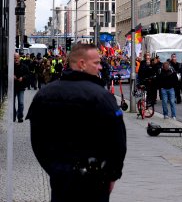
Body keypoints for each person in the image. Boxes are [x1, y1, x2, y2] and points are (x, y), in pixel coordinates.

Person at [26, 43, 127, 202]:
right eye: (96, 63)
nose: (100, 67)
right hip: (95, 179)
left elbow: (37, 141)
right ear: (82, 64)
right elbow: (118, 142)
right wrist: (112, 175)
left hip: (61, 178)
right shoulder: (102, 97)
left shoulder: (44, 95)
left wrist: (55, 169)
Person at [14, 53, 29, 122]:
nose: (16, 59)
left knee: (21, 103)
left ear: (19, 58)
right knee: (12, 103)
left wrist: (22, 78)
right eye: (14, 58)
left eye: (17, 58)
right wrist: (11, 76)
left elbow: (28, 75)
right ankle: (13, 116)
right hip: (13, 87)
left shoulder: (24, 66)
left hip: (21, 87)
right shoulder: (11, 66)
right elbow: (5, 73)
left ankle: (20, 116)